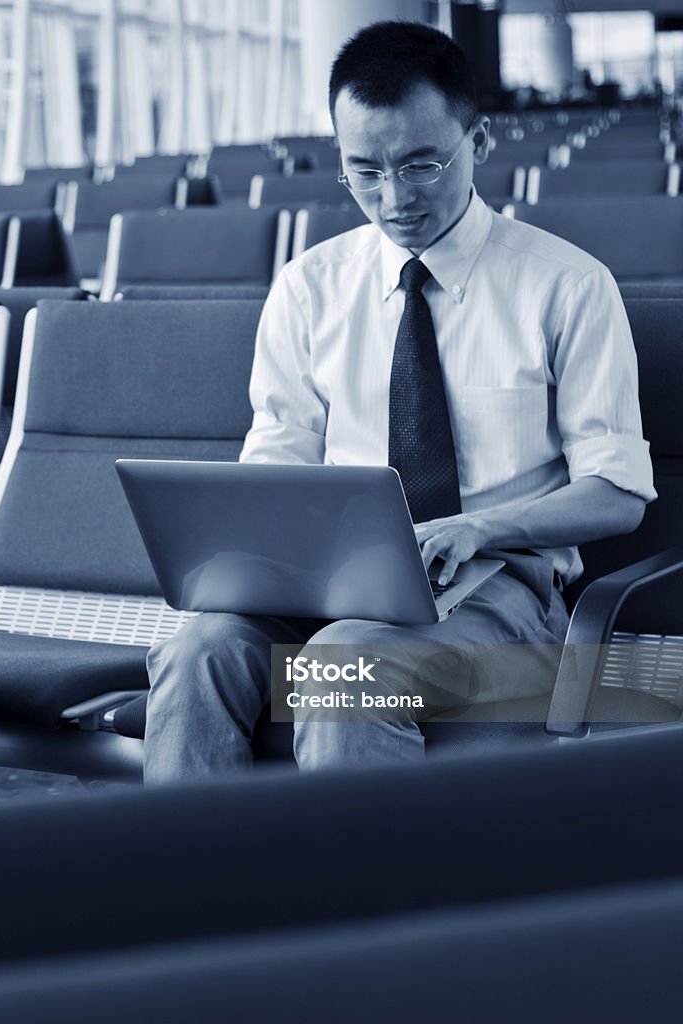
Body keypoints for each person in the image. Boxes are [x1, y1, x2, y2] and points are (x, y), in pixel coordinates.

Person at [143, 20, 654, 782]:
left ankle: (365, 897)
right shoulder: (308, 288)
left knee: (339, 671)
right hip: (331, 585)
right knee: (194, 650)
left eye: (421, 165)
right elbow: (277, 456)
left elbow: (617, 495)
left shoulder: (568, 287)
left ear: (477, 144)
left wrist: (479, 527)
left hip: (503, 595)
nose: (394, 198)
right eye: (365, 172)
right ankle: (193, 893)